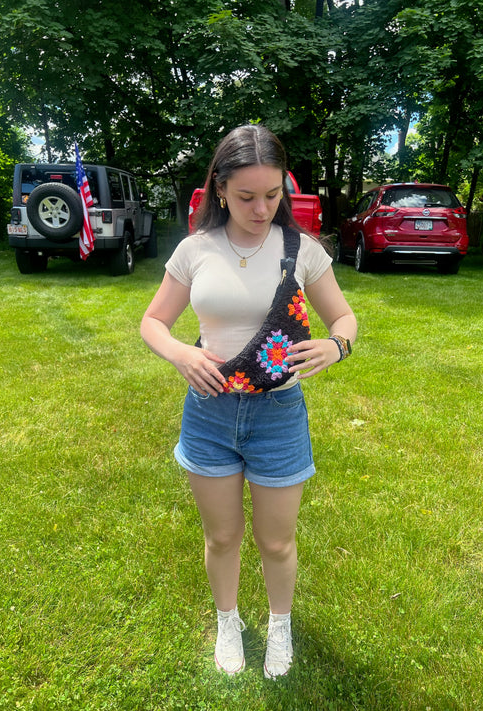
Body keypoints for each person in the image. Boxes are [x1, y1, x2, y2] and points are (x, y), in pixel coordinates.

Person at [140, 124, 357, 679]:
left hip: (279, 415)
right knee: (222, 535)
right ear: (219, 190)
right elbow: (154, 321)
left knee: (276, 540)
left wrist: (337, 346)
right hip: (208, 412)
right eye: (246, 197)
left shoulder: (301, 250)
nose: (261, 209)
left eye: (273, 195)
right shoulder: (195, 250)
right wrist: (181, 357)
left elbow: (345, 317)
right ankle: (228, 620)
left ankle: (279, 626)